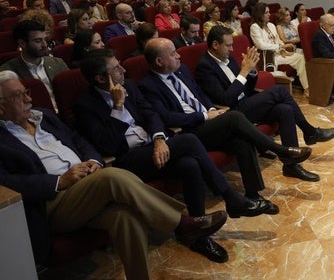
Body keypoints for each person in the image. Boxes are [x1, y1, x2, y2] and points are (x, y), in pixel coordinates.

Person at [0, 70, 227, 279]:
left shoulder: (44, 115)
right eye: (18, 96)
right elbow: (7, 182)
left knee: (125, 216)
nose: (29, 99)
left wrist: (93, 160)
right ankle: (181, 223)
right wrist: (59, 181)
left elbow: (78, 138)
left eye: (27, 92)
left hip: (87, 184)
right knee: (111, 177)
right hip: (53, 202)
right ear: (1, 106)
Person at [75, 50, 272, 262]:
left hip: (153, 146)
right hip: (127, 160)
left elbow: (151, 114)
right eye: (116, 68)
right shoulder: (85, 106)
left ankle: (198, 235)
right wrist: (117, 106)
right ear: (101, 78)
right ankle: (231, 198)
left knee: (189, 164)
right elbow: (110, 146)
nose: (123, 70)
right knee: (189, 141)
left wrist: (159, 139)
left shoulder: (130, 86)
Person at [138, 38, 313, 198]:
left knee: (243, 138)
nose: (179, 56)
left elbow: (199, 94)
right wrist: (206, 115)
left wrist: (213, 109)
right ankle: (281, 150)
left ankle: (254, 195)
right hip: (190, 131)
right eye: (173, 53)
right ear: (159, 61)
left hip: (212, 118)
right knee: (235, 116)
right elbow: (167, 118)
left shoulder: (181, 70)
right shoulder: (148, 85)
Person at [196, 26, 334, 181]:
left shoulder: (227, 58)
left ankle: (291, 167)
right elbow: (226, 100)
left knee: (284, 109)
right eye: (228, 45)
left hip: (247, 102)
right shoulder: (205, 67)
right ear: (215, 45)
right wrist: (244, 72)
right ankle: (310, 131)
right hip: (232, 114)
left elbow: (247, 87)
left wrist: (251, 71)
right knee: (279, 90)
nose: (232, 49)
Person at [0, 20, 68, 110]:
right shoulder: (7, 73)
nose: (44, 45)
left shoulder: (58, 63)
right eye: (38, 41)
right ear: (22, 43)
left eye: (45, 39)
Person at [250, 2, 309, 97]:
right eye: (266, 13)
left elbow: (278, 40)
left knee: (300, 57)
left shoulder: (271, 25)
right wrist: (280, 47)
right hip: (266, 58)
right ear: (259, 14)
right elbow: (261, 45)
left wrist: (283, 49)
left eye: (269, 12)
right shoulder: (254, 27)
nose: (269, 14)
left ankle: (307, 88)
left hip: (278, 54)